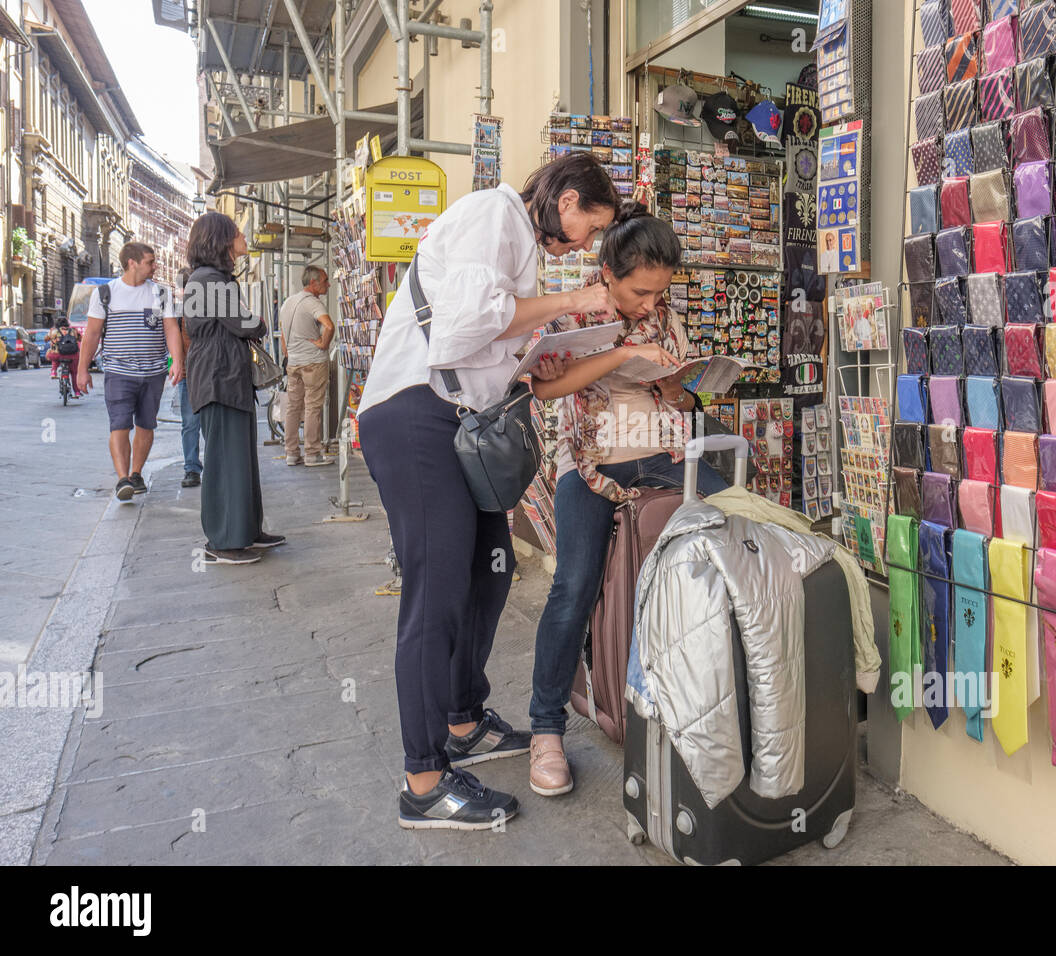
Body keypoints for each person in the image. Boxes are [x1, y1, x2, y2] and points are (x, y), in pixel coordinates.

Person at [357, 152, 633, 830]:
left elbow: (488, 333)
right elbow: (464, 327)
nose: (587, 245)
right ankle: (423, 781)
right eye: (590, 229)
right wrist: (572, 302)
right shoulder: (494, 215)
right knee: (438, 593)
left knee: (490, 573)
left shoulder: (514, 239)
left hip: (458, 422)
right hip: (417, 415)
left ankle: (461, 721)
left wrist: (546, 349)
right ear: (567, 201)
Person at [526, 209, 726, 797]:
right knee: (575, 585)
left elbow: (688, 401)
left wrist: (675, 387)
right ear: (609, 273)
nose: (648, 304)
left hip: (663, 457)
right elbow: (544, 386)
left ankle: (702, 698)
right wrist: (619, 356)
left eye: (659, 293)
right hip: (590, 465)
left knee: (735, 520)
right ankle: (546, 730)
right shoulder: (575, 313)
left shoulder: (669, 320)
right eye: (640, 291)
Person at [183, 212, 285, 565]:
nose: (244, 236)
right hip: (219, 377)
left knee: (239, 457)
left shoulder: (210, 279)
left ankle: (245, 530)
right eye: (237, 232)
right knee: (227, 458)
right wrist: (258, 322)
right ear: (222, 240)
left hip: (224, 377)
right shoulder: (209, 280)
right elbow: (245, 324)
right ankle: (223, 540)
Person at [77, 244, 184, 501]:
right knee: (120, 424)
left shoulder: (160, 293)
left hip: (154, 371)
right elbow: (92, 334)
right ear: (132, 263)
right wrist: (82, 369)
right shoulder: (105, 294)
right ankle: (123, 478)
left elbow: (171, 329)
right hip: (118, 371)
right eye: (150, 262)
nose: (155, 266)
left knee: (146, 425)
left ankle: (136, 473)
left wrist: (177, 360)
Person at [279, 265, 335, 467]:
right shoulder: (313, 303)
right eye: (325, 280)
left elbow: (283, 333)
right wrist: (323, 343)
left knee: (293, 407)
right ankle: (312, 453)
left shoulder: (288, 302)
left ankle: (291, 452)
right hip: (313, 362)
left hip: (293, 363)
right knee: (312, 407)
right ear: (313, 283)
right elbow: (329, 326)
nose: (328, 284)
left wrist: (289, 352)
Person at [176, 269, 203, 488]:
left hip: (202, 373)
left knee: (192, 424)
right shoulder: (178, 311)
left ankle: (194, 469)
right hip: (189, 374)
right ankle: (192, 468)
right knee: (191, 423)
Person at [46, 318, 84, 397]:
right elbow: (81, 338)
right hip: (73, 356)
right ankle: (77, 392)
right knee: (74, 373)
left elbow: (46, 339)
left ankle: (53, 371)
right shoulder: (73, 330)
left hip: (58, 355)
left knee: (53, 355)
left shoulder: (54, 331)